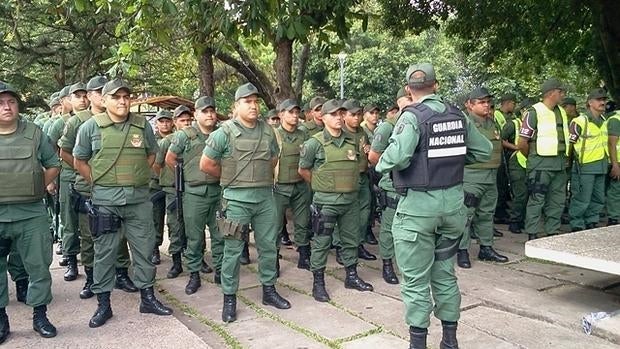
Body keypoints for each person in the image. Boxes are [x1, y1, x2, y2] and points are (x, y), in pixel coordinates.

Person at [375, 63, 492, 349]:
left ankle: (418, 345)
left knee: (415, 281)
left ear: (408, 90)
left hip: (418, 211)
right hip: (453, 208)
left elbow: (391, 160)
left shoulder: (412, 117)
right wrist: (450, 164)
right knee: (444, 274)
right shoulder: (457, 114)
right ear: (436, 85)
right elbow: (483, 151)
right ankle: (450, 342)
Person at [73, 78, 172, 328]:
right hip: (106, 202)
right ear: (104, 101)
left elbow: (151, 154)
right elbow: (79, 160)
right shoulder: (90, 127)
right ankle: (104, 305)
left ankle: (147, 298)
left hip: (139, 200)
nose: (122, 101)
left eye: (126, 97)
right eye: (116, 97)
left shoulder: (142, 126)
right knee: (105, 253)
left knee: (145, 250)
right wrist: (99, 181)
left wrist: (135, 177)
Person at [200, 83, 291, 323]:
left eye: (256, 101)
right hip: (236, 201)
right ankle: (229, 297)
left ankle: (269, 290)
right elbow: (206, 164)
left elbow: (272, 159)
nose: (253, 106)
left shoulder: (268, 131)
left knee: (269, 246)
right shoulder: (224, 132)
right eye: (247, 102)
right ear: (236, 106)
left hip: (264, 198)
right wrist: (231, 178)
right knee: (232, 251)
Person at [59, 75, 138, 299]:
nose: (106, 95)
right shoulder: (78, 121)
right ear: (92, 96)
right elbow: (64, 152)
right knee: (89, 233)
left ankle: (121, 273)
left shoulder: (121, 119)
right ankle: (92, 277)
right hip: (88, 187)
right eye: (100, 91)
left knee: (119, 232)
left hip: (116, 188)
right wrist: (87, 172)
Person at [0, 81, 60, 342]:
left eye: (11, 101)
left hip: (31, 213)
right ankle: (1, 318)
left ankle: (40, 315)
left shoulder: (34, 132)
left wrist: (36, 186)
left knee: (38, 268)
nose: (6, 107)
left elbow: (53, 164)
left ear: (18, 104)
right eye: (1, 103)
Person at [298, 98, 374, 303]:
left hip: (350, 201)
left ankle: (351, 276)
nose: (339, 118)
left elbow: (359, 166)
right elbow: (303, 169)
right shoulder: (314, 143)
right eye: (333, 114)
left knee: (351, 240)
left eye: (341, 114)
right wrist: (322, 186)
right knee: (322, 242)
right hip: (326, 203)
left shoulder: (352, 141)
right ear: (322, 117)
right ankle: (318, 282)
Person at [166, 96, 223, 294]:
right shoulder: (185, 135)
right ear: (196, 114)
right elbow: (170, 158)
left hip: (218, 191)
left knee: (221, 234)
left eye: (212, 111)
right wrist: (187, 175)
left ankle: (220, 272)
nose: (209, 115)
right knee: (194, 237)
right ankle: (194, 274)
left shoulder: (222, 134)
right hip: (194, 194)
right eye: (204, 111)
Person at [457, 88, 509, 269]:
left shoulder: (492, 123)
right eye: (481, 102)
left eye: (488, 102)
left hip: (491, 175)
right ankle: (462, 250)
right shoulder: (463, 123)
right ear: (469, 105)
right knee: (466, 215)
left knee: (487, 213)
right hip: (471, 176)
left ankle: (486, 248)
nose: (486, 105)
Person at [368, 86, 411, 284]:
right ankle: (387, 264)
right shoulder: (388, 126)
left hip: (414, 185)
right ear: (400, 102)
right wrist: (392, 168)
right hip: (393, 185)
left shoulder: (419, 121)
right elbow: (374, 156)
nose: (412, 101)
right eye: (408, 98)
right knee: (388, 228)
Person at [518, 78, 570, 240]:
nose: (563, 95)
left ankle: (552, 232)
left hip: (559, 164)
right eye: (560, 92)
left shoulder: (561, 111)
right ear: (551, 93)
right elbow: (522, 143)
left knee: (557, 200)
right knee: (536, 198)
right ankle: (532, 233)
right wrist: (533, 158)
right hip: (540, 164)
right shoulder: (533, 112)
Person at [49, 82, 90, 282]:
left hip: (89, 177)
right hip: (68, 177)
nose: (82, 100)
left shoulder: (93, 120)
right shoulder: (61, 122)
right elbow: (52, 150)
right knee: (70, 221)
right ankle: (72, 260)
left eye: (84, 96)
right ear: (68, 100)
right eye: (77, 96)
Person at [272, 99, 312, 270]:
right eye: (291, 112)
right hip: (279, 187)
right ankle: (272, 260)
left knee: (303, 222)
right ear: (281, 115)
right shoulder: (273, 135)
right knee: (274, 225)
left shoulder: (304, 134)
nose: (295, 116)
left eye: (297, 112)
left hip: (300, 185)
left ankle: (304, 256)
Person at [154, 106, 193, 279]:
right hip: (172, 188)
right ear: (175, 123)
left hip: (192, 188)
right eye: (182, 120)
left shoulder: (196, 139)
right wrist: (166, 179)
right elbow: (156, 165)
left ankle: (195, 259)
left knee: (193, 225)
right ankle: (176, 261)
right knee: (175, 224)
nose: (186, 124)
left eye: (188, 120)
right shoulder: (165, 142)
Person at [339, 99, 376, 261]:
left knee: (364, 212)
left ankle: (358, 244)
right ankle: (341, 246)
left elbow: (366, 150)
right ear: (344, 116)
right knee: (343, 213)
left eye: (359, 114)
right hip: (345, 179)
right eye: (352, 115)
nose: (356, 118)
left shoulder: (362, 133)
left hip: (362, 177)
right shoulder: (339, 132)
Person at [568, 88, 609, 231]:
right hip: (585, 166)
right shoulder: (580, 121)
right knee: (582, 198)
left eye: (604, 100)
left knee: (598, 198)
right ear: (590, 103)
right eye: (599, 100)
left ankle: (592, 220)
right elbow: (570, 145)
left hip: (601, 164)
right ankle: (577, 223)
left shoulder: (604, 120)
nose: (603, 102)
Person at [501, 99, 534, 234]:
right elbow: (500, 140)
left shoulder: (536, 124)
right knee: (520, 194)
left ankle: (524, 220)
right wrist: (516, 147)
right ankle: (515, 221)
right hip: (517, 162)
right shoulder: (513, 124)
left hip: (532, 162)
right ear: (522, 111)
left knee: (531, 194)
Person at [150, 110, 172, 265]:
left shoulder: (177, 138)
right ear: (156, 124)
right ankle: (154, 248)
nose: (165, 124)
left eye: (167, 121)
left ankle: (177, 247)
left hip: (173, 184)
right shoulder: (151, 139)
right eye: (161, 121)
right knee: (155, 218)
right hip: (155, 185)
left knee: (175, 218)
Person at [606, 102, 620, 225]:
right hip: (617, 161)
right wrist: (615, 164)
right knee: (615, 191)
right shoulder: (615, 119)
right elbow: (612, 144)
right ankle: (613, 218)